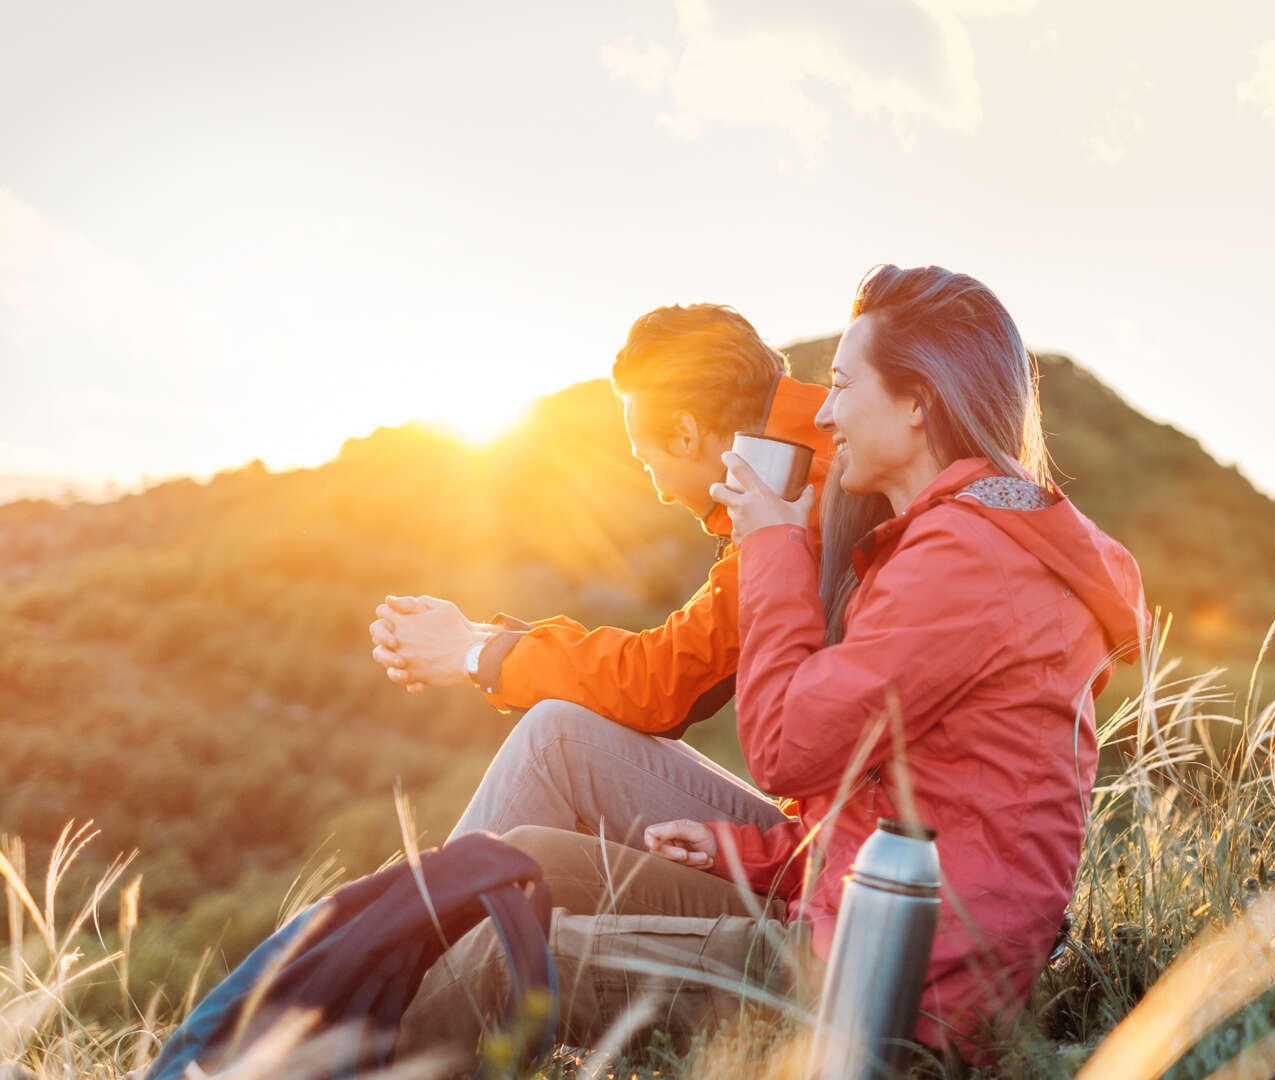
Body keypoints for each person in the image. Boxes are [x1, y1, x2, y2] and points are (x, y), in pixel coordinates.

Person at [392, 265, 1148, 1066]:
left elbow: (783, 744)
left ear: (919, 402)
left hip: (881, 989)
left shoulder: (954, 554)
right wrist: (736, 851)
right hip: (853, 912)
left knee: (494, 962)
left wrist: (772, 545)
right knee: (522, 865)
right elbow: (897, 799)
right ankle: (359, 975)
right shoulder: (945, 534)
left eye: (843, 385)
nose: (823, 412)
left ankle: (336, 1032)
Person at [368, 303, 834, 848]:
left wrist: (476, 657)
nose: (659, 487)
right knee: (556, 744)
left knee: (554, 740)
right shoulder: (822, 457)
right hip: (831, 833)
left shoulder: (805, 498)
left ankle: (416, 926)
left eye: (645, 459)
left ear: (686, 434)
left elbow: (660, 683)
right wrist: (481, 639)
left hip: (830, 855)